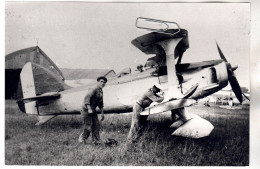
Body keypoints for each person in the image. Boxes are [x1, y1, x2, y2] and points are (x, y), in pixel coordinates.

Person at [78, 76, 107, 145]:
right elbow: (87, 98)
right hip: (86, 109)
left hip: (93, 110)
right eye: (101, 81)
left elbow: (101, 103)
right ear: (97, 82)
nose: (102, 83)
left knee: (96, 125)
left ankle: (96, 141)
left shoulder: (100, 91)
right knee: (88, 126)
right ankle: (82, 139)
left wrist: (102, 113)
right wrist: (89, 109)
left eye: (104, 82)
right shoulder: (93, 89)